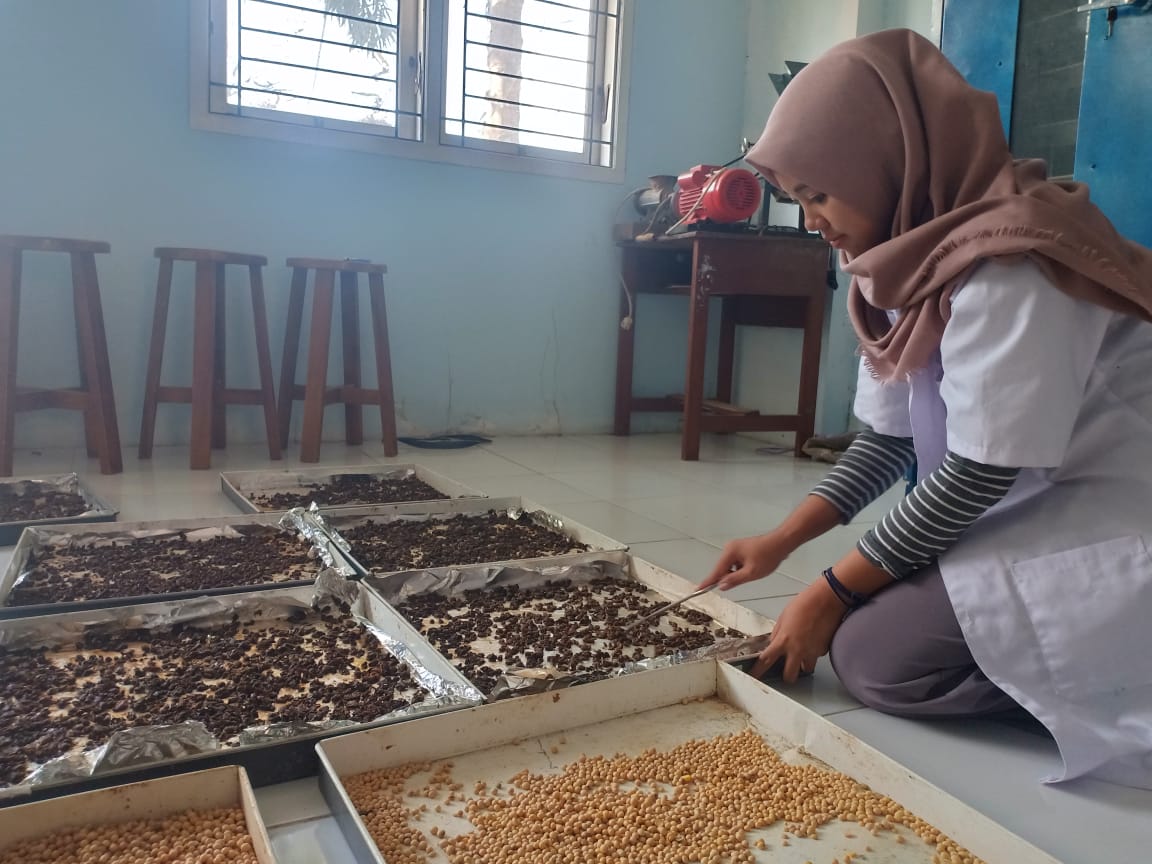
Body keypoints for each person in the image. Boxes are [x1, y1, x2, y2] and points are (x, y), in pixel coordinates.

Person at [699, 28, 1152, 789]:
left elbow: (977, 474)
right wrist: (780, 540)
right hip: (1022, 501)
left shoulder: (1013, 261)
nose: (813, 221)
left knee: (877, 660)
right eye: (797, 199)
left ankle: (1113, 687)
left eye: (819, 193)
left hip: (1107, 510)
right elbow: (888, 441)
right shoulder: (895, 260)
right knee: (876, 639)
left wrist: (829, 589)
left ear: (887, 159)